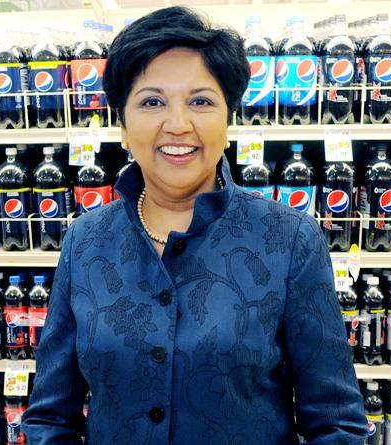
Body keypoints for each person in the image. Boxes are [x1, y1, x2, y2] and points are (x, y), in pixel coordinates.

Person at [23, 7, 367, 444]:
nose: (178, 125)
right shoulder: (87, 239)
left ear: (228, 120)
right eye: (152, 102)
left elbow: (336, 424)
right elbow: (50, 416)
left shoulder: (288, 238)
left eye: (201, 101)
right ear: (123, 126)